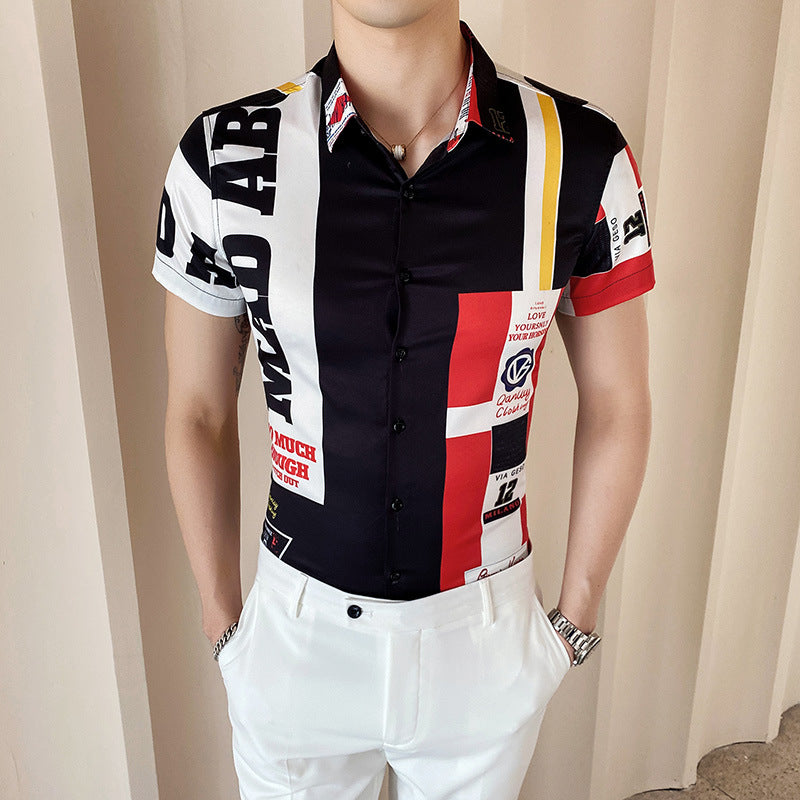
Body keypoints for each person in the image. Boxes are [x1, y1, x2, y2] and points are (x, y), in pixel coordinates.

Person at [151, 1, 654, 798]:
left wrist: (574, 622)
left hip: (484, 639)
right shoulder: (223, 157)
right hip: (294, 640)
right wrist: (227, 630)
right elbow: (197, 412)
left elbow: (619, 401)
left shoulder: (582, 155)